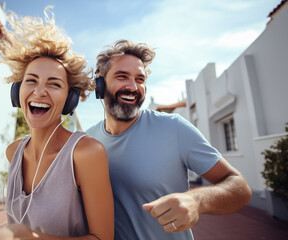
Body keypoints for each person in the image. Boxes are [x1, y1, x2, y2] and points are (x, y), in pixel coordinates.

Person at [0, 9, 114, 240]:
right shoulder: (14, 151)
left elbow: (103, 238)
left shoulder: (87, 153)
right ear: (18, 92)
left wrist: (29, 237)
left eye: (54, 84)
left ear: (70, 99)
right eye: (31, 81)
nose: (39, 91)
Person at [86, 39, 252, 240]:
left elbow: (240, 187)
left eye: (140, 79)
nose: (133, 86)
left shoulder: (174, 128)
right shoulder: (88, 142)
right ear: (100, 84)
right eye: (122, 76)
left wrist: (197, 201)